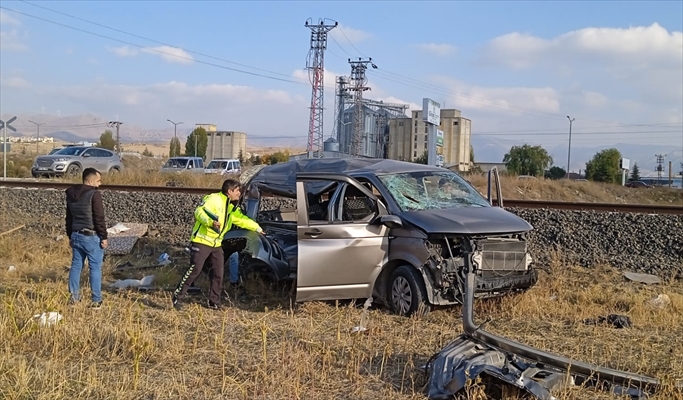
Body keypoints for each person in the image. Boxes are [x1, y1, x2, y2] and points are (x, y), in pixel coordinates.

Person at [172, 179, 263, 310]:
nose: (239, 193)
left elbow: (242, 220)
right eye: (237, 190)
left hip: (216, 244)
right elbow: (199, 212)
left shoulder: (230, 207)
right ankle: (177, 297)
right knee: (195, 269)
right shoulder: (213, 199)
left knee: (218, 273)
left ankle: (214, 302)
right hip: (202, 241)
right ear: (229, 191)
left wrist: (258, 228)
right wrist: (210, 222)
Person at [65, 167, 108, 309]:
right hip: (91, 236)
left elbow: (69, 218)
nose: (100, 184)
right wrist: (104, 236)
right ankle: (96, 301)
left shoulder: (71, 193)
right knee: (95, 268)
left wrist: (70, 235)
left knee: (76, 266)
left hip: (76, 235)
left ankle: (74, 298)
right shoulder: (94, 194)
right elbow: (99, 217)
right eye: (98, 180)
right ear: (90, 181)